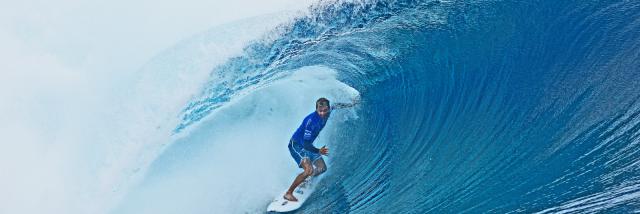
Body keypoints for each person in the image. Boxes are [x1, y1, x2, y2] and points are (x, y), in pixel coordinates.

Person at [284, 97, 359, 202]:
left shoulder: (329, 110)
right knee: (309, 169)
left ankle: (306, 178)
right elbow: (305, 144)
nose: (323, 113)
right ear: (316, 110)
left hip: (308, 146)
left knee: (322, 168)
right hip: (297, 145)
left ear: (328, 108)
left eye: (325, 110)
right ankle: (288, 193)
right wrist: (318, 151)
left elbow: (336, 105)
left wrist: (351, 104)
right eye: (320, 111)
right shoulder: (311, 122)